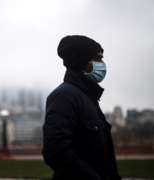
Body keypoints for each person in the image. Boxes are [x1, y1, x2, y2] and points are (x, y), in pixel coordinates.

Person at [42, 35, 121, 180]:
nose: (102, 63)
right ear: (82, 61)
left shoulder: (88, 97)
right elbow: (56, 152)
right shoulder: (64, 96)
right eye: (97, 58)